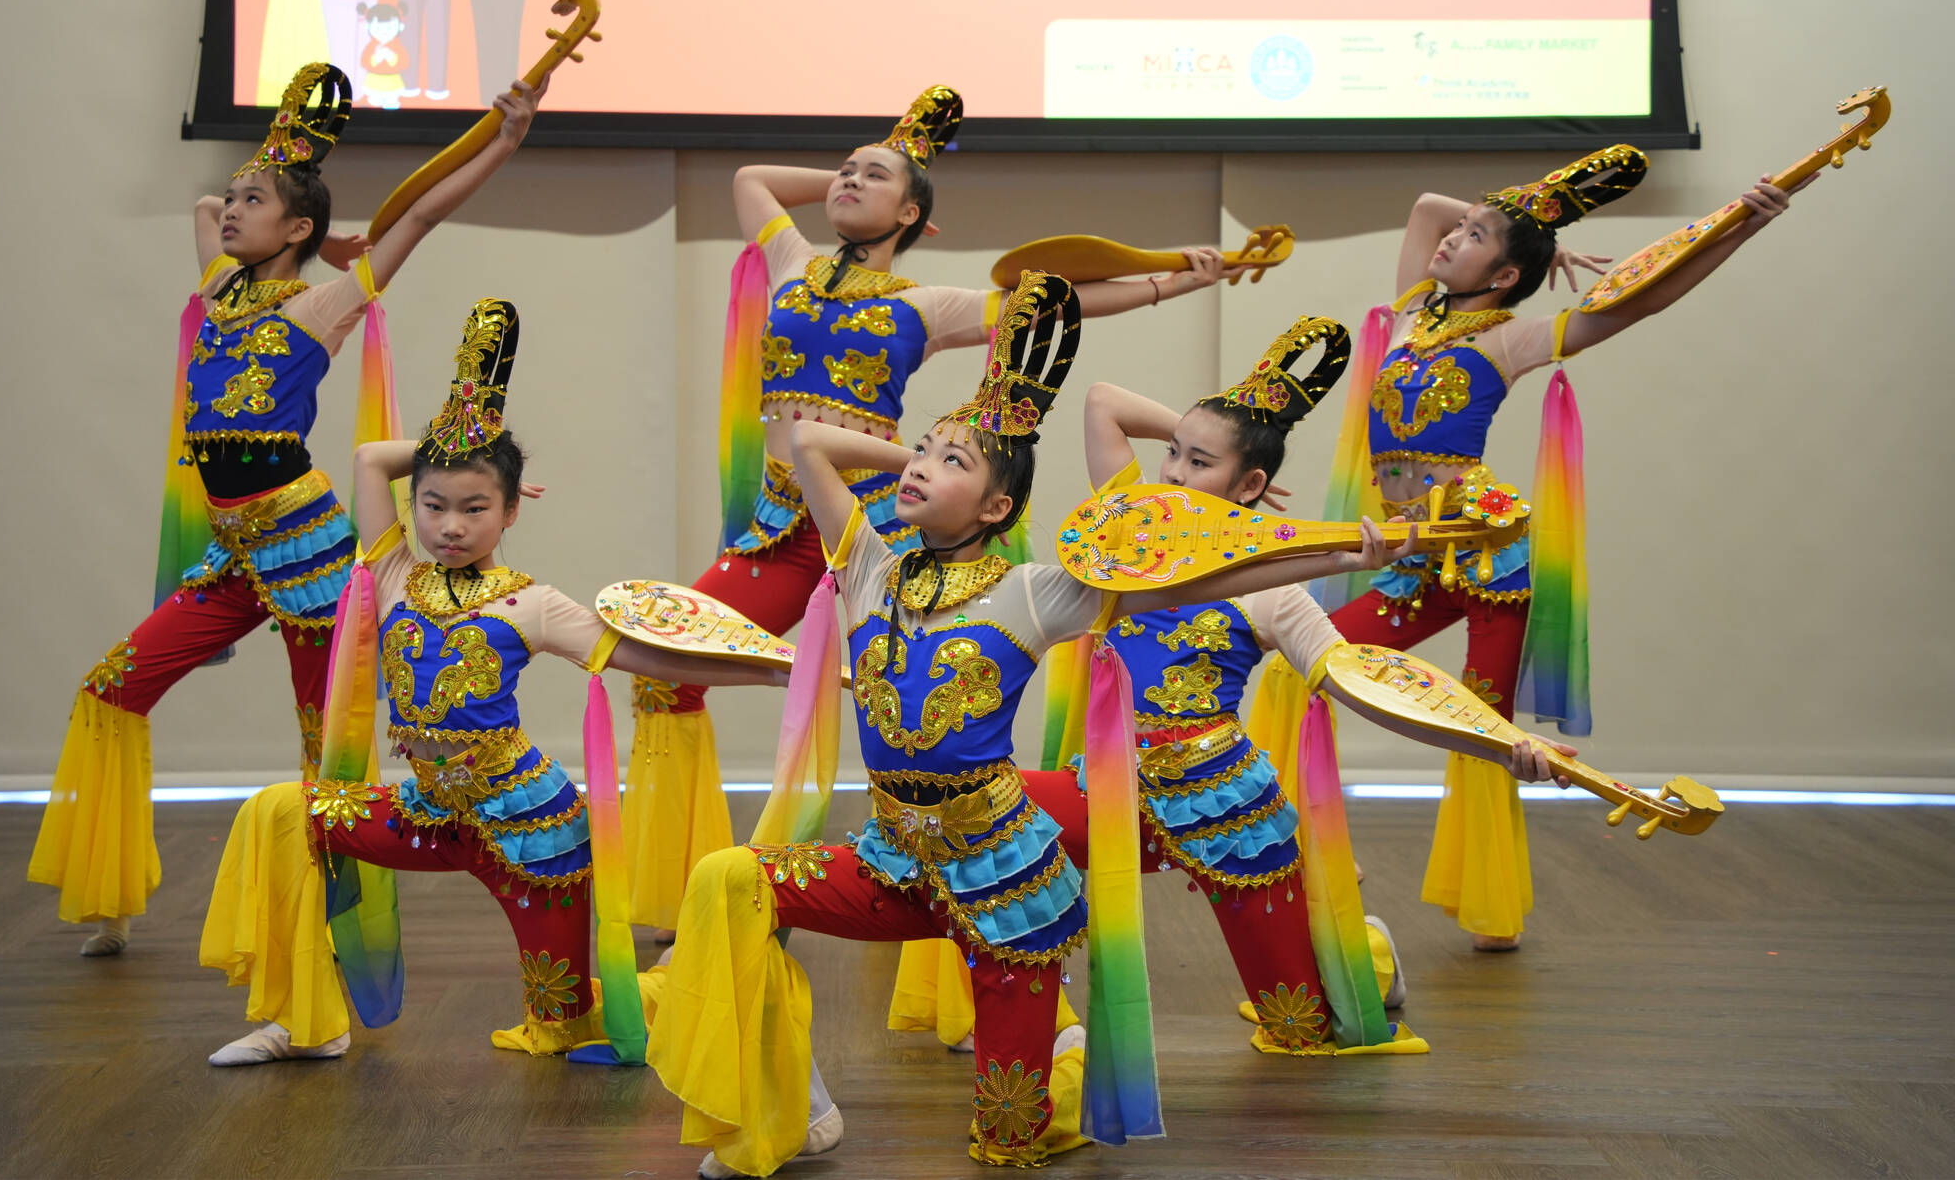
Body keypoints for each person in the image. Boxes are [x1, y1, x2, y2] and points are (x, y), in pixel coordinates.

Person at [645, 277, 1544, 1174]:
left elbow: (1202, 590)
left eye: (950, 466)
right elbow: (807, 439)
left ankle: (1130, 1042)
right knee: (731, 880)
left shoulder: (1036, 594)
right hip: (902, 857)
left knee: (1029, 1137)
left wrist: (1355, 559)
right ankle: (786, 1111)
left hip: (1021, 881)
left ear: (999, 510)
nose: (918, 466)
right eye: (917, 452)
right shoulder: (870, 570)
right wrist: (948, 448)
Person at [626, 87, 1265, 938]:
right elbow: (751, 178)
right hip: (782, 528)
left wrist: (1171, 281)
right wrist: (874, 170)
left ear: (916, 213)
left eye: (873, 176)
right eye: (845, 170)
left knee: (929, 730)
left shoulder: (926, 306)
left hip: (887, 535)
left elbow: (1056, 301)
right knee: (660, 667)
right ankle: (685, 893)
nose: (849, 180)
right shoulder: (788, 264)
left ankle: (950, 915)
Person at [28, 66, 550, 958]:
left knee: (328, 757)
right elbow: (201, 206)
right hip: (235, 551)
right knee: (111, 688)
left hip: (305, 554)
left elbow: (418, 217)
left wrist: (501, 141)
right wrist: (286, 166)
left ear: (295, 228)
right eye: (233, 198)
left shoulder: (319, 307)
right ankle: (110, 901)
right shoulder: (220, 293)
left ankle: (323, 939)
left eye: (252, 200)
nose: (228, 211)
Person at [199, 300, 792, 1065]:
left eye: (475, 506)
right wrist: (460, 442)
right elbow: (372, 459)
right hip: (425, 810)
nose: (449, 525)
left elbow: (659, 661)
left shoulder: (532, 603)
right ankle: (302, 1018)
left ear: (511, 511)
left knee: (567, 1026)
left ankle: (679, 988)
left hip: (530, 834)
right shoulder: (391, 575)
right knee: (285, 814)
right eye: (434, 505)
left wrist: (777, 669)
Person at [1290, 148, 1803, 951]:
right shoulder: (1413, 306)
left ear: (1499, 279)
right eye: (1466, 228)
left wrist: (1738, 227)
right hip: (1419, 558)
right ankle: (1311, 844)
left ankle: (1489, 903)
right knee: (1312, 663)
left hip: (1492, 563)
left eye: (1474, 235)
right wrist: (1533, 234)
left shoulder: (1513, 339)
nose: (1453, 235)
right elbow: (1428, 202)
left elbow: (1642, 303)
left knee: (1487, 731)